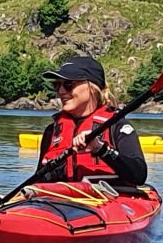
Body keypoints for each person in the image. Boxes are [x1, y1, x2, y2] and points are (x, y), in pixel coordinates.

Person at [36, 56, 147, 185]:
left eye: (68, 84)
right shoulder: (52, 131)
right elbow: (38, 182)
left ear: (92, 88)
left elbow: (139, 175)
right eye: (56, 85)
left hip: (106, 200)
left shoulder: (117, 126)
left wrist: (101, 149)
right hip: (59, 201)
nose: (60, 91)